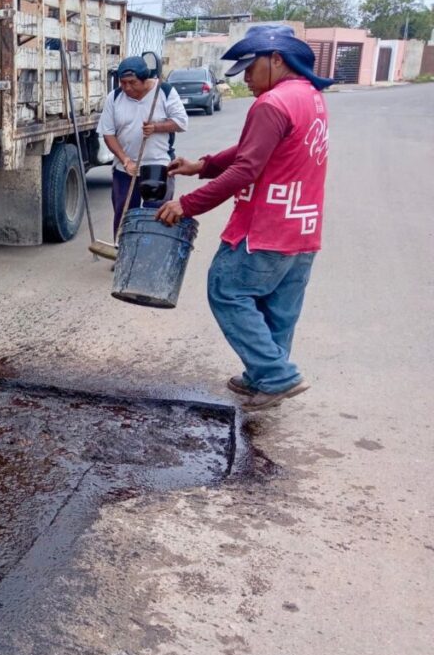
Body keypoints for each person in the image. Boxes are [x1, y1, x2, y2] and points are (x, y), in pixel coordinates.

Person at [155, 25, 334, 411]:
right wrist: (203, 165)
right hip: (302, 226)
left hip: (267, 228)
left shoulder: (271, 104)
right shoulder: (308, 97)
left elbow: (245, 168)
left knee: (227, 288)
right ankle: (264, 377)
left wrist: (188, 204)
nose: (246, 79)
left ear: (276, 59)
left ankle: (277, 376)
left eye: (250, 69)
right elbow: (252, 147)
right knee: (278, 307)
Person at [97, 56, 188, 236]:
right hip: (126, 168)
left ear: (144, 79)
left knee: (155, 214)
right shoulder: (115, 97)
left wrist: (156, 127)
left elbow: (181, 123)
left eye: (132, 82)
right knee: (124, 213)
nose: (127, 87)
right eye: (123, 83)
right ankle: (122, 253)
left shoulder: (164, 91)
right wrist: (125, 160)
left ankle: (150, 256)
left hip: (158, 166)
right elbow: (107, 133)